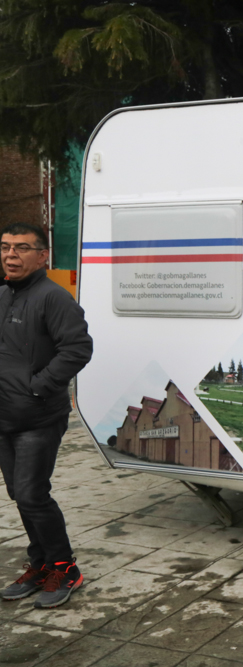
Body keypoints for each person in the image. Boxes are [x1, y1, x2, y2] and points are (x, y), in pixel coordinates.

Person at [0, 222, 92, 608]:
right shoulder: (3, 295)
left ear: (42, 256)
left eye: (21, 248)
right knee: (20, 494)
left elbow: (78, 348)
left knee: (32, 494)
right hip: (5, 416)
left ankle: (65, 569)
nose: (11, 255)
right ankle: (40, 566)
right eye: (5, 247)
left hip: (38, 417)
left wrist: (37, 387)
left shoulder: (54, 297)